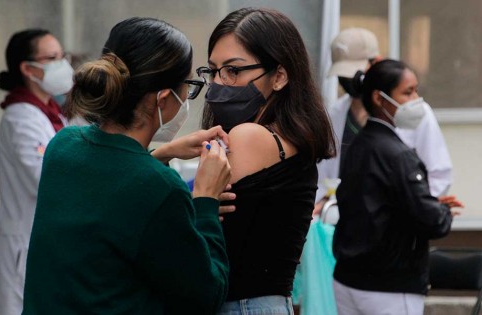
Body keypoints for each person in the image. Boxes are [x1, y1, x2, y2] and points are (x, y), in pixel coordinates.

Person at [22, 17, 232, 314]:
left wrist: (161, 154)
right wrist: (206, 200)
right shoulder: (162, 189)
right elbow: (205, 294)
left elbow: (112, 184)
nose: (188, 96)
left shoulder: (64, 146)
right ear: (162, 99)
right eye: (188, 86)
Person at [197, 7, 336, 314]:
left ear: (280, 76)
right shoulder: (290, 139)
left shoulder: (249, 136)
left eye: (234, 70)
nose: (220, 83)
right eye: (213, 70)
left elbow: (207, 244)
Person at [332, 59, 463, 315]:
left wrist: (426, 204)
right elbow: (431, 221)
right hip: (389, 284)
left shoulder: (359, 145)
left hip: (348, 279)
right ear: (380, 99)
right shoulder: (397, 154)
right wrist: (441, 211)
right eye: (408, 92)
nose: (417, 100)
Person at [0, 29, 73, 315]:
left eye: (63, 56)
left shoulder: (52, 113)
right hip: (24, 247)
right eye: (53, 58)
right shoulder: (21, 117)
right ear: (27, 68)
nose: (63, 64)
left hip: (43, 244)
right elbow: (47, 178)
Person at [315, 27, 453, 211]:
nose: (348, 80)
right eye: (342, 75)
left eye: (353, 73)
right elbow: (324, 177)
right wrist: (324, 203)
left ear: (376, 63)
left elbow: (439, 173)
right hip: (346, 223)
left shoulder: (413, 112)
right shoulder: (334, 114)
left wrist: (419, 209)